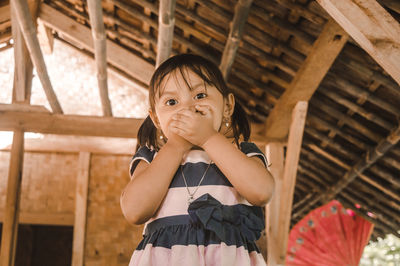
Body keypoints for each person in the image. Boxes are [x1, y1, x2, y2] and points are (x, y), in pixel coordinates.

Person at [120, 54, 275, 266]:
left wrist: (208, 138)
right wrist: (175, 146)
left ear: (228, 106)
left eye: (200, 95)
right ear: (156, 118)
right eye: (172, 102)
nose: (187, 108)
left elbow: (262, 192)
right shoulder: (151, 158)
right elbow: (134, 211)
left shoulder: (241, 152)